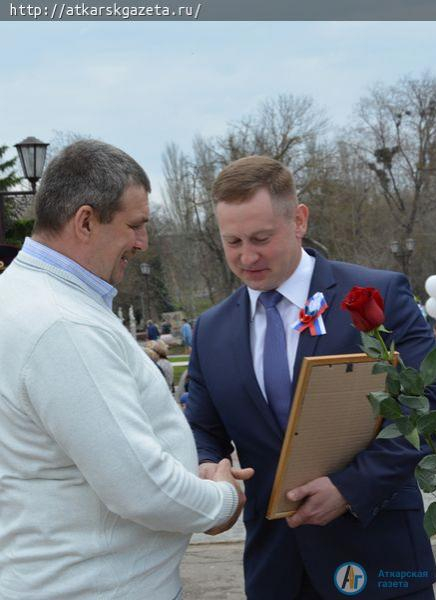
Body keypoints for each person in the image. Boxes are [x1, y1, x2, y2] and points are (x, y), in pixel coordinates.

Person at [0, 140, 254, 600]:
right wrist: (221, 501)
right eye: (135, 226)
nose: (142, 243)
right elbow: (140, 486)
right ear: (85, 221)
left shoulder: (27, 298)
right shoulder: (62, 323)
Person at [186, 155, 436, 600]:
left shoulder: (377, 295)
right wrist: (209, 467)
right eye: (233, 241)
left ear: (299, 220)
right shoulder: (211, 329)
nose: (247, 257)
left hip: (379, 557)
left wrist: (350, 486)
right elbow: (203, 428)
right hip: (276, 568)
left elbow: (429, 402)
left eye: (262, 238)